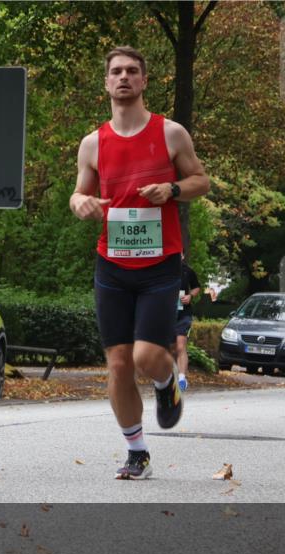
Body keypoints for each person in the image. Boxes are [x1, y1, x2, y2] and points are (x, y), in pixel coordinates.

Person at [69, 46, 210, 480]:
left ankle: (167, 386)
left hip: (159, 263)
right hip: (111, 264)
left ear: (145, 81)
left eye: (132, 71)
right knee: (117, 363)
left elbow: (200, 180)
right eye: (116, 72)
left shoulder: (170, 133)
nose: (124, 77)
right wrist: (83, 204)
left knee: (148, 357)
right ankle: (137, 451)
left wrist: (171, 190)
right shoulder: (93, 143)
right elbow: (78, 194)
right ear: (106, 83)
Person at [175, 256, 202, 391]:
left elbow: (197, 287)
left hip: (183, 314)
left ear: (182, 255)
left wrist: (190, 296)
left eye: (178, 253)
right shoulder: (162, 270)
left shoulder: (187, 271)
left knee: (180, 346)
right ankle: (167, 378)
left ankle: (181, 378)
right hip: (165, 314)